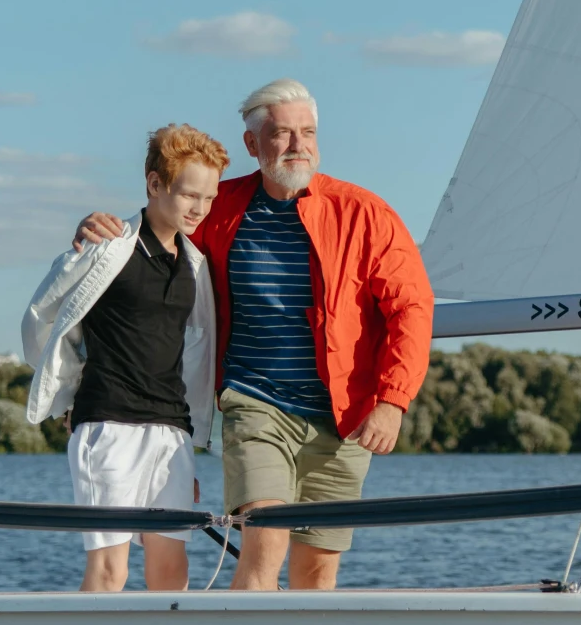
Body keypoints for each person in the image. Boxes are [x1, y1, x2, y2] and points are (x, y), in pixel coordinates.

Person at [75, 79, 431, 590]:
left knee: (317, 569)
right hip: (255, 403)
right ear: (252, 144)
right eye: (282, 134)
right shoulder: (222, 208)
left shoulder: (366, 215)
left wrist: (393, 400)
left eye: (307, 132)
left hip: (345, 417)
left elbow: (412, 309)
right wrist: (101, 231)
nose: (297, 145)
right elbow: (160, 227)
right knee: (265, 538)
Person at [26, 123, 226, 592]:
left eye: (209, 198)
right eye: (188, 195)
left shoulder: (193, 264)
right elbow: (43, 318)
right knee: (108, 571)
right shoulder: (108, 247)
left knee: (172, 569)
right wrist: (66, 395)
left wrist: (187, 439)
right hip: (109, 427)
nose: (199, 208)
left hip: (170, 433)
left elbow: (189, 357)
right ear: (155, 184)